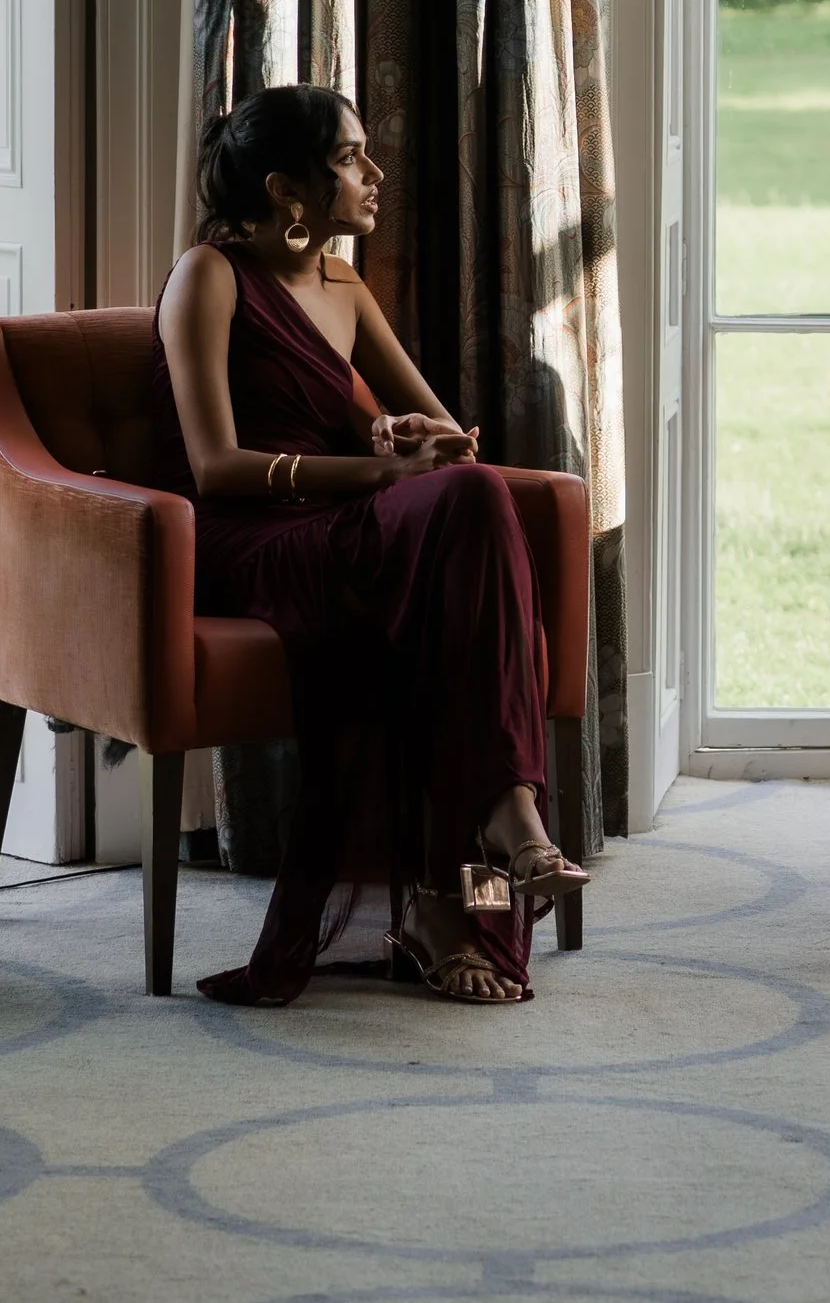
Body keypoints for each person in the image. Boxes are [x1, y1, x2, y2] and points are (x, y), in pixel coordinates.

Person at [151, 82, 585, 1008]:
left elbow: (448, 440)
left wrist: (407, 442)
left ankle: (468, 870)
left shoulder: (343, 284)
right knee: (454, 548)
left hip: (343, 524)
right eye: (350, 157)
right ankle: (500, 834)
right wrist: (375, 475)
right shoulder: (210, 276)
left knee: (465, 515)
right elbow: (216, 466)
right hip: (253, 539)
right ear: (285, 188)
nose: (375, 172)